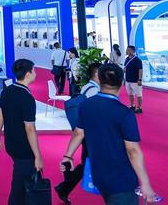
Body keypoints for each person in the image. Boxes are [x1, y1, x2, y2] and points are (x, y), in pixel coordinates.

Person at [60, 63, 158, 204]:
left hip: (98, 174)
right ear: (121, 82)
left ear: (99, 79)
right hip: (121, 180)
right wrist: (145, 183)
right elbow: (133, 150)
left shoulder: (86, 105)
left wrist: (68, 156)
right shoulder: (124, 113)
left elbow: (78, 133)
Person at [0, 58, 43, 205]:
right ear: (28, 74)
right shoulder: (27, 97)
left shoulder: (7, 91)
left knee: (21, 183)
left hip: (11, 143)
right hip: (24, 148)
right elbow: (30, 128)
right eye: (34, 70)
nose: (35, 73)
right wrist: (37, 155)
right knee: (19, 188)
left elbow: (0, 116)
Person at [54, 62, 101, 204]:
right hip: (90, 132)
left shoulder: (87, 87)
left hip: (84, 131)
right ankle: (64, 186)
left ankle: (64, 187)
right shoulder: (94, 91)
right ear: (96, 74)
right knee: (90, 162)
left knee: (87, 162)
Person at [124, 46, 143, 114]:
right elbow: (125, 68)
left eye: (128, 50)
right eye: (127, 50)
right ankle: (132, 105)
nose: (126, 51)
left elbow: (140, 70)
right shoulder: (126, 59)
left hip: (135, 81)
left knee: (139, 94)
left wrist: (140, 79)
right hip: (128, 80)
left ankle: (139, 107)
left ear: (133, 51)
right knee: (130, 94)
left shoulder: (137, 60)